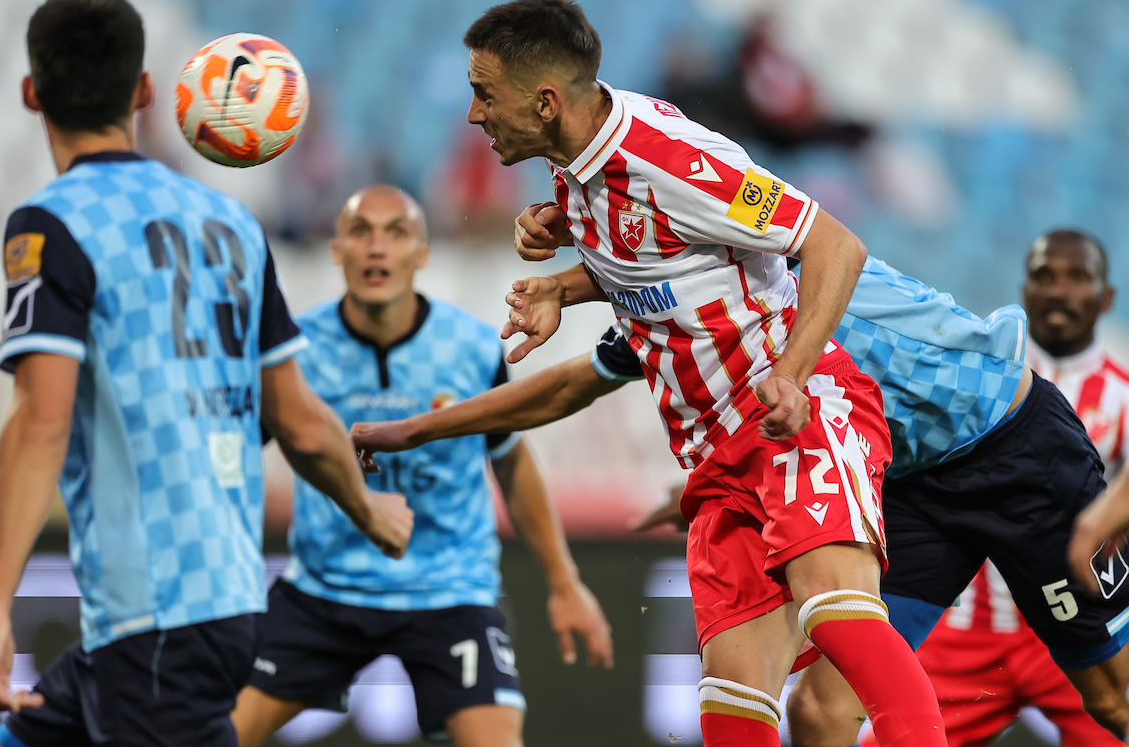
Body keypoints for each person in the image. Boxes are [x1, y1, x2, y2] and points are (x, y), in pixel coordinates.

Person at [352, 251, 1129, 743]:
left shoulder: (758, 247)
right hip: (910, 482)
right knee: (820, 709)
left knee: (1112, 698)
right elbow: (564, 387)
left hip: (1013, 444)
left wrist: (565, 280)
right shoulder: (671, 307)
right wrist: (419, 428)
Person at [458, 0, 947, 747]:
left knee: (838, 618)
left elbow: (834, 244)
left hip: (794, 415)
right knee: (732, 708)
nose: (473, 114)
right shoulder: (579, 164)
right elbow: (661, 255)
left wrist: (791, 374)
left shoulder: (670, 159)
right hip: (716, 459)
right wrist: (562, 285)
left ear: (546, 102)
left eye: (485, 94)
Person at [0, 0, 413, 747]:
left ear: (31, 93)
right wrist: (369, 509)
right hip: (202, 603)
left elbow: (41, 418)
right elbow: (299, 419)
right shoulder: (231, 222)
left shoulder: (51, 223)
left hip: (156, 613)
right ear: (145, 92)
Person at [230, 185, 613, 747]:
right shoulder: (296, 351)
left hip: (448, 591)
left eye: (396, 232)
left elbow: (508, 459)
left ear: (422, 255)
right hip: (324, 588)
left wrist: (564, 582)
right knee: (214, 733)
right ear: (336, 251)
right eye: (360, 232)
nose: (376, 247)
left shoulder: (470, 347)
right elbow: (235, 453)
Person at [875, 229, 1129, 747]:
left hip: (1070, 625)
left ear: (1106, 298)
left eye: (1077, 277)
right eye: (1044, 276)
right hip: (966, 635)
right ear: (1024, 291)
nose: (1058, 290)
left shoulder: (1121, 395)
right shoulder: (977, 379)